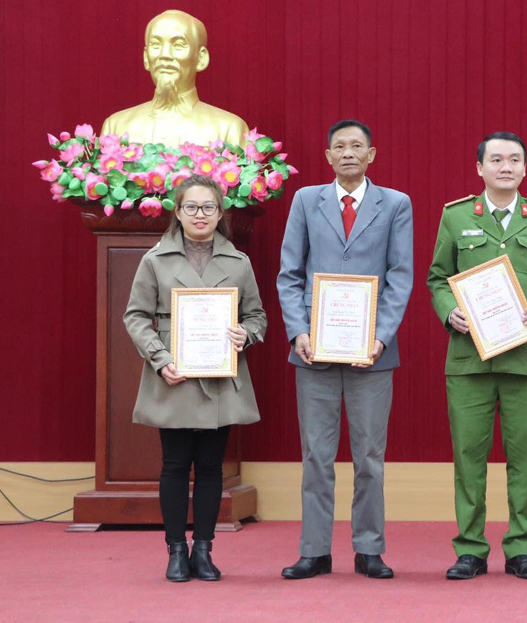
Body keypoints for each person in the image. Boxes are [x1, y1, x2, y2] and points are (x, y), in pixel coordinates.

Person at [427, 131, 527, 581]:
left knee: (524, 458)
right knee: (468, 458)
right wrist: (450, 313)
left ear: (525, 169)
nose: (505, 167)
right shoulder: (455, 217)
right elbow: (437, 278)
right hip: (470, 360)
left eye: (514, 160)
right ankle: (470, 548)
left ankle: (522, 547)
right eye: (496, 160)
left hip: (525, 360)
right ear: (479, 168)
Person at [277, 119, 414, 580]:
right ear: (328, 156)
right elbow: (289, 274)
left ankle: (369, 548)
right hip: (314, 350)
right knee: (316, 455)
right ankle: (314, 550)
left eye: (358, 146)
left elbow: (401, 276)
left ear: (372, 154)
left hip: (371, 353)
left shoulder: (395, 204)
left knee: (370, 457)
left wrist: (380, 337)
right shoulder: (304, 201)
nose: (349, 153)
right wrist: (298, 331)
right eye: (340, 146)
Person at [123, 174, 267, 582]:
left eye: (208, 207)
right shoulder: (155, 258)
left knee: (210, 467)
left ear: (220, 213)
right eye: (191, 207)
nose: (199, 214)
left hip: (220, 373)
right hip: (175, 372)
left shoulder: (238, 261)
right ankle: (175, 550)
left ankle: (203, 549)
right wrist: (159, 357)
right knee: (173, 465)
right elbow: (135, 316)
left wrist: (247, 333)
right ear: (178, 211)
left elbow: (256, 315)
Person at [101, 10, 249, 147]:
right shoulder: (116, 127)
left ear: (201, 58)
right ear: (146, 57)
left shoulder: (229, 129)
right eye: (156, 44)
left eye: (178, 45)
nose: (165, 54)